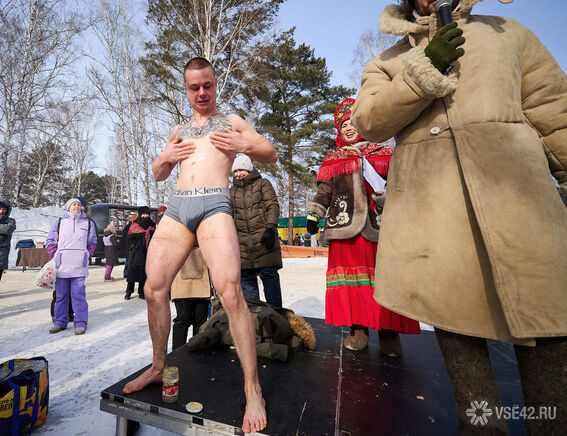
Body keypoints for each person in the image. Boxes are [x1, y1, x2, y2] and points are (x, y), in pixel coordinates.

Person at [352, 0, 567, 433]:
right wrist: (422, 70)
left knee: (547, 335)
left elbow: (554, 112)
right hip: (435, 220)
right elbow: (368, 121)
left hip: (521, 207)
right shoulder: (387, 61)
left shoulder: (509, 34)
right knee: (460, 342)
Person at [121, 56, 277, 434]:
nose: (202, 93)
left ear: (215, 83)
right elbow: (159, 173)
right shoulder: (179, 129)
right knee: (154, 288)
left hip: (213, 204)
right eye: (195, 87)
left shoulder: (231, 121)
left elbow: (270, 153)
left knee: (230, 292)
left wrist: (246, 144)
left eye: (208, 85)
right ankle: (158, 366)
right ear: (186, 89)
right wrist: (165, 156)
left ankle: (252, 387)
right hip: (178, 207)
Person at [306, 98, 420, 358]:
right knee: (353, 284)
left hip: (380, 228)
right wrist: (314, 214)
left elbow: (401, 184)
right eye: (343, 125)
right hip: (345, 229)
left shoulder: (385, 153)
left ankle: (389, 333)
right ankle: (358, 330)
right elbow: (324, 192)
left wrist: (395, 200)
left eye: (353, 123)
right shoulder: (334, 159)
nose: (348, 128)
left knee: (384, 281)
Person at [230, 154, 283, 308]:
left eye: (241, 170)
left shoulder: (262, 184)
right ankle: (255, 316)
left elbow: (272, 205)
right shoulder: (231, 191)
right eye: (235, 171)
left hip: (263, 240)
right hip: (243, 246)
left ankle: (276, 313)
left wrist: (271, 228)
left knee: (269, 276)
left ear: (249, 169)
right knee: (247, 281)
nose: (238, 174)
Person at [46, 198, 97, 335]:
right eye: (73, 204)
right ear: (68, 208)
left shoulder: (88, 223)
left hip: (79, 264)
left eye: (78, 204)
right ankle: (59, 322)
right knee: (61, 296)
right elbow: (51, 240)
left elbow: (92, 241)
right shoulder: (59, 222)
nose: (76, 206)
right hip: (62, 264)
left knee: (78, 295)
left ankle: (80, 323)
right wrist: (54, 255)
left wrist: (87, 254)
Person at [171, 245, 212, 349]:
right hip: (190, 280)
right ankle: (180, 353)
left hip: (196, 280)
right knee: (189, 320)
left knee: (192, 321)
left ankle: (181, 353)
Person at [120, 207, 155, 300]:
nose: (145, 216)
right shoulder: (134, 225)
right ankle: (129, 291)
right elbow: (127, 238)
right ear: (140, 214)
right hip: (136, 253)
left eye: (147, 214)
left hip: (148, 253)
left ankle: (141, 292)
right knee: (132, 274)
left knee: (144, 274)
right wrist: (132, 247)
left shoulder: (152, 225)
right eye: (143, 214)